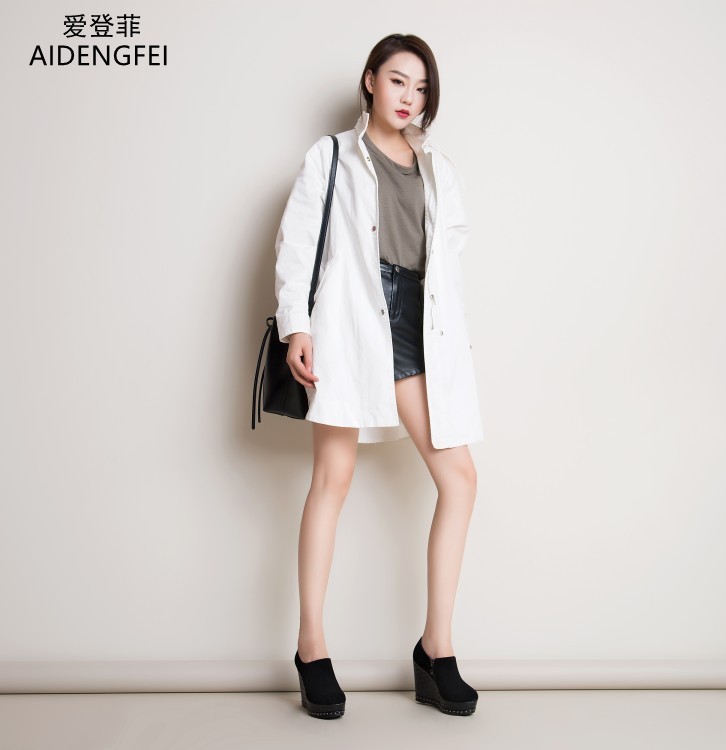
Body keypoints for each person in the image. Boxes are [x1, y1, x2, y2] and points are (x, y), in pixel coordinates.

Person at [274, 33, 483, 718]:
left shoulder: (437, 167)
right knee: (332, 479)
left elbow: (447, 259)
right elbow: (297, 242)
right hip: (350, 321)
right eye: (398, 81)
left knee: (459, 478)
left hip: (418, 321)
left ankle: (436, 650)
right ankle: (311, 649)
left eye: (420, 88)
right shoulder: (332, 155)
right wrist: (298, 326)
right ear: (370, 80)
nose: (408, 98)